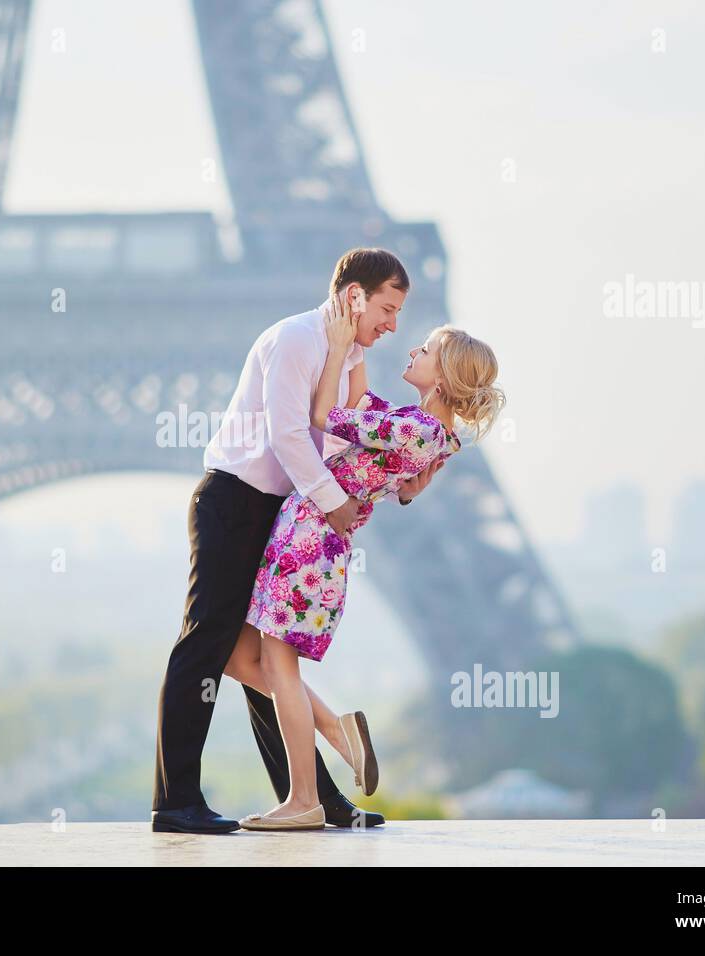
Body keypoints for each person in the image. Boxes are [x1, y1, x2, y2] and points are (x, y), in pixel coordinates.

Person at [151, 248, 443, 834]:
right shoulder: (294, 340)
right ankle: (176, 801)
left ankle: (314, 796)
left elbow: (348, 437)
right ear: (353, 295)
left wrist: (399, 486)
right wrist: (335, 503)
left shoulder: (347, 355)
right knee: (206, 645)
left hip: (281, 510)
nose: (393, 325)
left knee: (262, 658)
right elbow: (289, 433)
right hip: (235, 502)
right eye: (387, 308)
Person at [230, 291, 506, 830]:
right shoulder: (426, 429)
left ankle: (304, 799)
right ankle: (336, 732)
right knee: (240, 659)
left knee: (276, 664)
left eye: (424, 350)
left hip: (310, 535)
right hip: (314, 535)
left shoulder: (415, 429)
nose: (411, 352)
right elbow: (357, 408)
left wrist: (336, 348)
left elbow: (323, 415)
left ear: (444, 376)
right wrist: (356, 344)